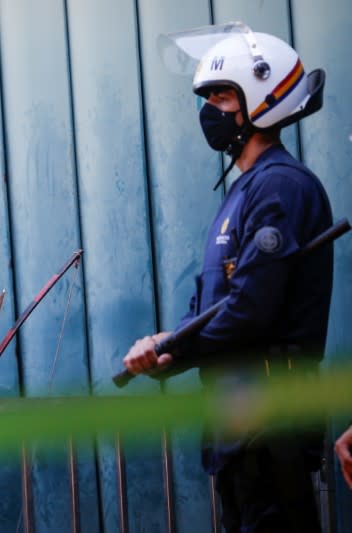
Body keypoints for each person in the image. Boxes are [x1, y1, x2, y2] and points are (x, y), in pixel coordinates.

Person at [122, 23, 331, 533]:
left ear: (261, 98)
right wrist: (167, 353)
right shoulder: (241, 194)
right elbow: (211, 303)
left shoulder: (280, 186)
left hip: (270, 424)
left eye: (221, 95)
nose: (210, 109)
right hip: (237, 428)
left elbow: (251, 309)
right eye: (209, 96)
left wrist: (170, 344)